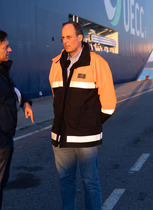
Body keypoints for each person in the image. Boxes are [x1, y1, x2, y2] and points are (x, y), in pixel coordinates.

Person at [49, 22, 117, 209]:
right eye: (63, 37)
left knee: (90, 184)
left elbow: (109, 105)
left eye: (69, 37)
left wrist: (91, 123)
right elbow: (58, 100)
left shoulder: (97, 63)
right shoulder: (56, 64)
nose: (65, 41)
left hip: (86, 139)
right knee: (65, 183)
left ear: (80, 38)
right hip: (60, 139)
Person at [0, 30, 34, 209]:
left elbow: (14, 92)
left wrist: (26, 103)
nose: (10, 50)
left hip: (5, 140)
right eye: (6, 46)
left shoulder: (3, 73)